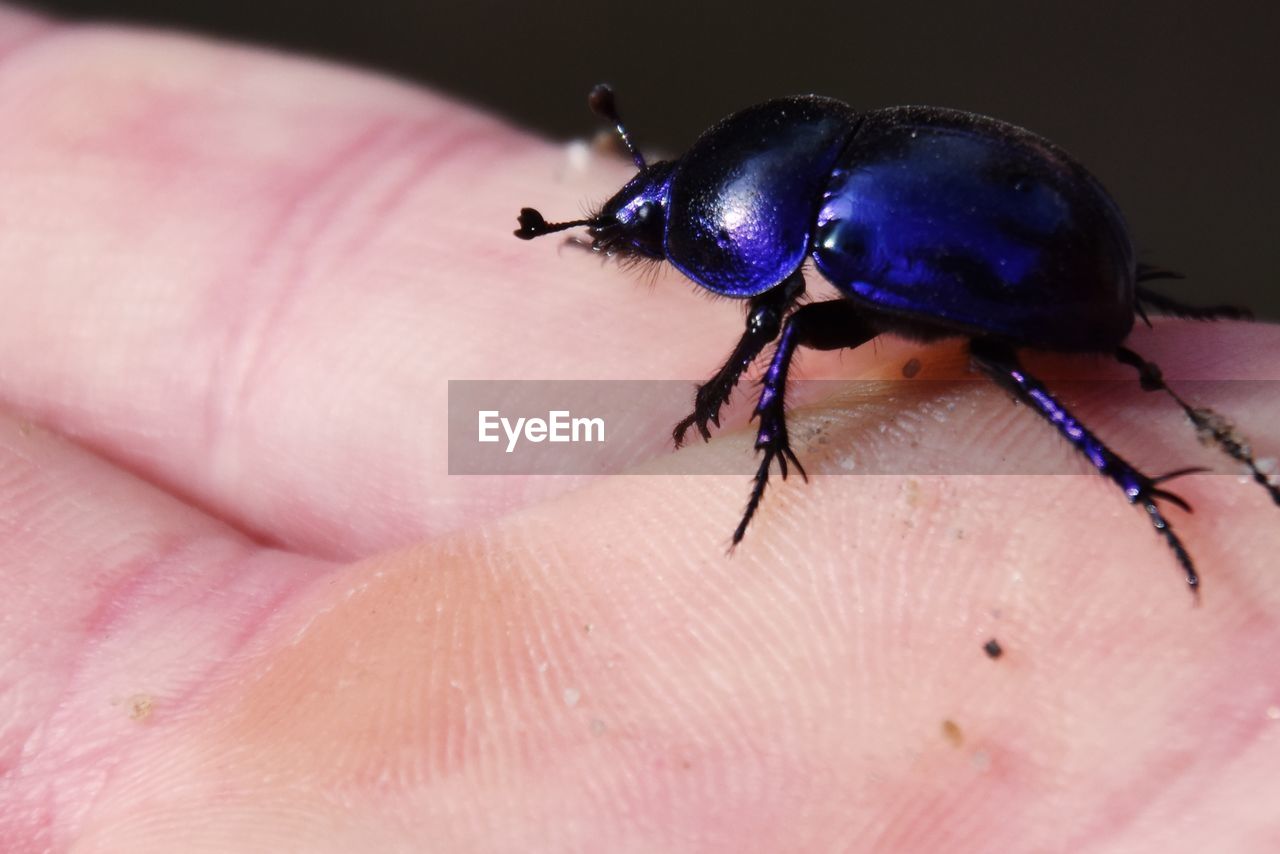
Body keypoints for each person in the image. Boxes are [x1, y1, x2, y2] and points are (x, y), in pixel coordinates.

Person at [1, 8, 1277, 850]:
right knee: (843, 339)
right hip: (1065, 243)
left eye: (657, 217)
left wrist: (733, 415)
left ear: (726, 204)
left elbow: (768, 321)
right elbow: (765, 307)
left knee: (990, 366)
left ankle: (1120, 478)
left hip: (1040, 276)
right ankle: (1116, 447)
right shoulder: (831, 169)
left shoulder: (816, 230)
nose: (636, 231)